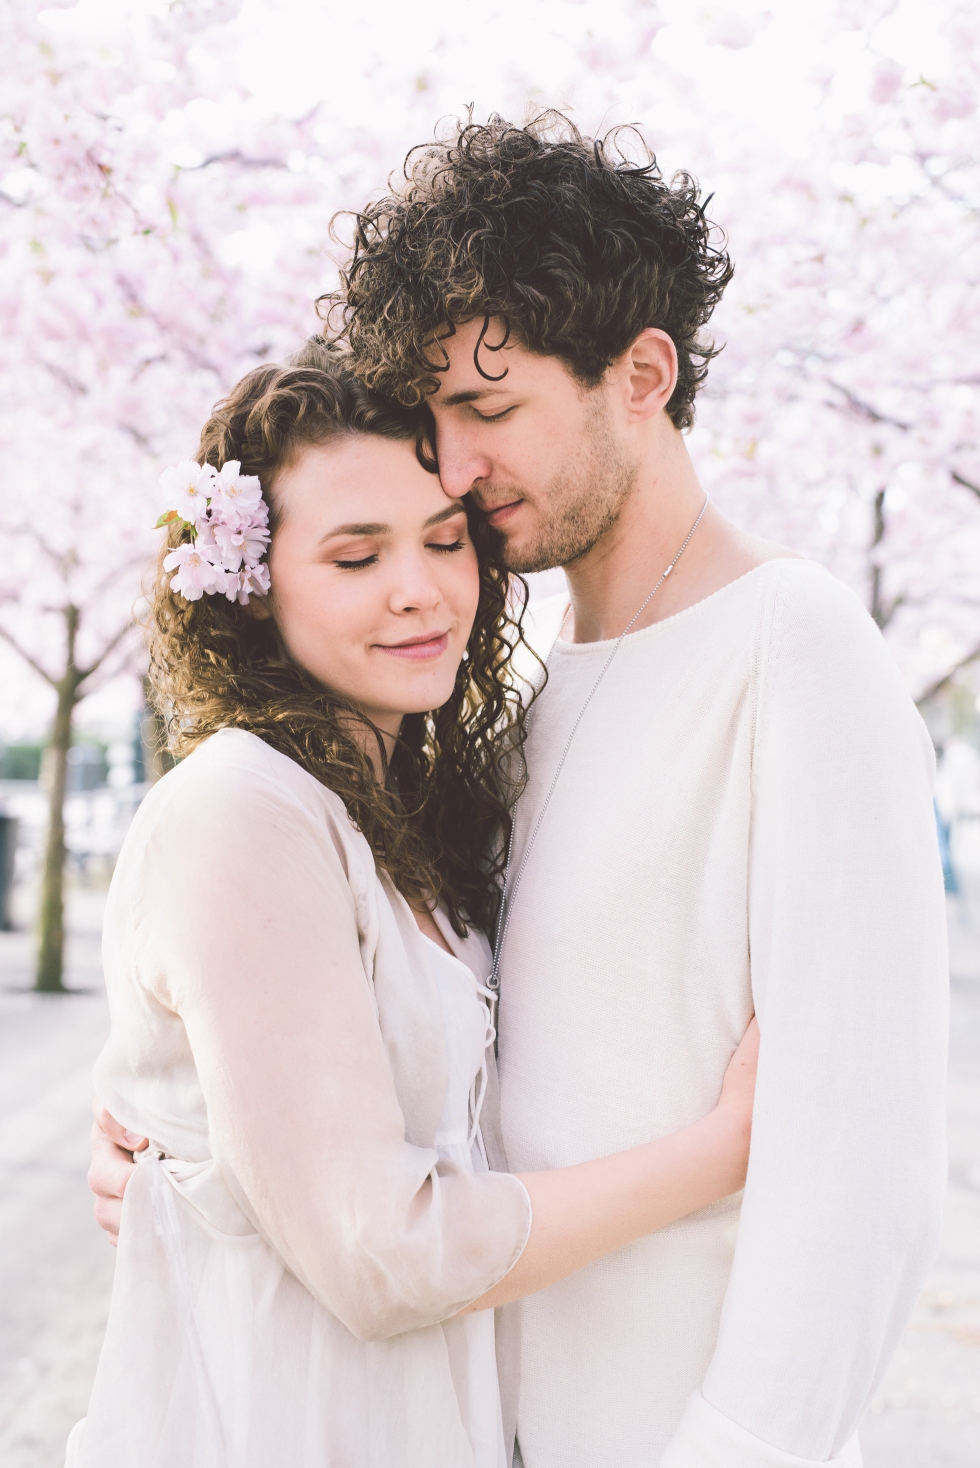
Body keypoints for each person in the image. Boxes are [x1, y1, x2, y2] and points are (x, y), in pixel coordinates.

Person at [322, 114, 950, 1466]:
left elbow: (861, 1159)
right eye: (436, 421)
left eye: (489, 409)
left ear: (642, 373)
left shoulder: (796, 647)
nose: (457, 463)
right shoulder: (526, 692)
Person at [74, 342, 759, 1468]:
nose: (419, 588)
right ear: (253, 586)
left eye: (446, 541)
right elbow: (377, 1254)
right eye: (355, 556)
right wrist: (719, 1150)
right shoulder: (241, 812)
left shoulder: (411, 814)